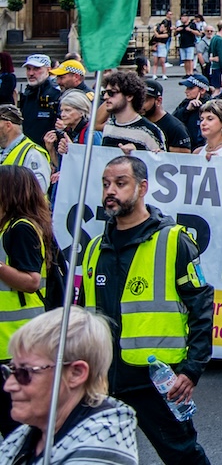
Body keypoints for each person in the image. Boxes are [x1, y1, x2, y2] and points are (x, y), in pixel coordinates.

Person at [80, 155, 212, 464]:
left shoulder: (173, 240)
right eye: (105, 184)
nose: (110, 191)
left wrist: (192, 370)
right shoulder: (95, 247)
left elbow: (202, 306)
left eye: (120, 183)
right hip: (103, 379)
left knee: (182, 455)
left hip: (155, 379)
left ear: (142, 188)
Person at [0, 307, 139, 464]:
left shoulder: (100, 447)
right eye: (10, 370)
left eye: (24, 372)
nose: (9, 385)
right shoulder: (28, 435)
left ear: (76, 373)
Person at [0, 164, 56, 433]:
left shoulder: (21, 228)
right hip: (8, 342)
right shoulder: (7, 227)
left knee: (17, 425)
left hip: (16, 343)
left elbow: (31, 281)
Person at [98, 72, 165, 154]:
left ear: (129, 96)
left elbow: (161, 164)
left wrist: (138, 152)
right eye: (104, 93)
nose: (105, 97)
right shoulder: (109, 125)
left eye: (112, 93)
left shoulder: (149, 131)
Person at [0, 104, 50, 192]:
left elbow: (39, 189)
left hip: (20, 205)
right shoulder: (3, 150)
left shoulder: (33, 153)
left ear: (8, 126)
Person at [18, 56, 61, 148]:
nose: (31, 73)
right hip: (28, 146)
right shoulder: (27, 92)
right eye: (28, 69)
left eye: (36, 69)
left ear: (48, 70)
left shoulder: (56, 93)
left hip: (49, 148)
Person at [141, 81, 192, 152]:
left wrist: (163, 152)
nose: (140, 105)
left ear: (158, 101)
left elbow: (184, 155)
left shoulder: (175, 128)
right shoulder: (138, 121)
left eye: (145, 100)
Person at [205, 23, 222, 88]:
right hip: (219, 68)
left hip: (214, 67)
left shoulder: (214, 38)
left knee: (216, 88)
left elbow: (209, 52)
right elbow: (221, 56)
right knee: (218, 89)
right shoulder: (219, 40)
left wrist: (211, 59)